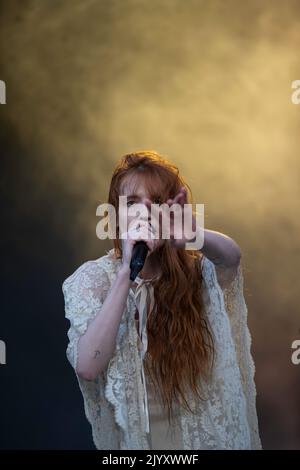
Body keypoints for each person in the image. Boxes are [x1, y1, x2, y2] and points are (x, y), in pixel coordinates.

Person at [62, 150, 262, 450]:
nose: (143, 212)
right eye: (132, 203)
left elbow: (231, 258)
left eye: (155, 202)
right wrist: (126, 275)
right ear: (115, 214)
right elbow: (88, 366)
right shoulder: (93, 281)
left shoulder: (195, 275)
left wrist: (196, 234)